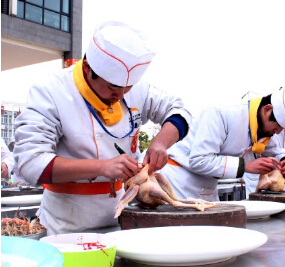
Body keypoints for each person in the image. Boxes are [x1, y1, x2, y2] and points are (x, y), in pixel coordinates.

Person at [13, 21, 192, 235]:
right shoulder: (51, 91)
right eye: (112, 88)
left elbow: (180, 112)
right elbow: (29, 163)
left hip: (119, 217)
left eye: (128, 88)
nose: (121, 96)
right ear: (88, 69)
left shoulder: (134, 90)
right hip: (64, 224)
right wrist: (102, 167)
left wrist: (160, 143)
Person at [158, 85, 285, 201]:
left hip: (208, 185)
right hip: (178, 180)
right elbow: (199, 160)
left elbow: (274, 152)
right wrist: (246, 166)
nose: (277, 132)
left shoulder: (264, 130)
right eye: (277, 126)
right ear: (267, 109)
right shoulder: (222, 113)